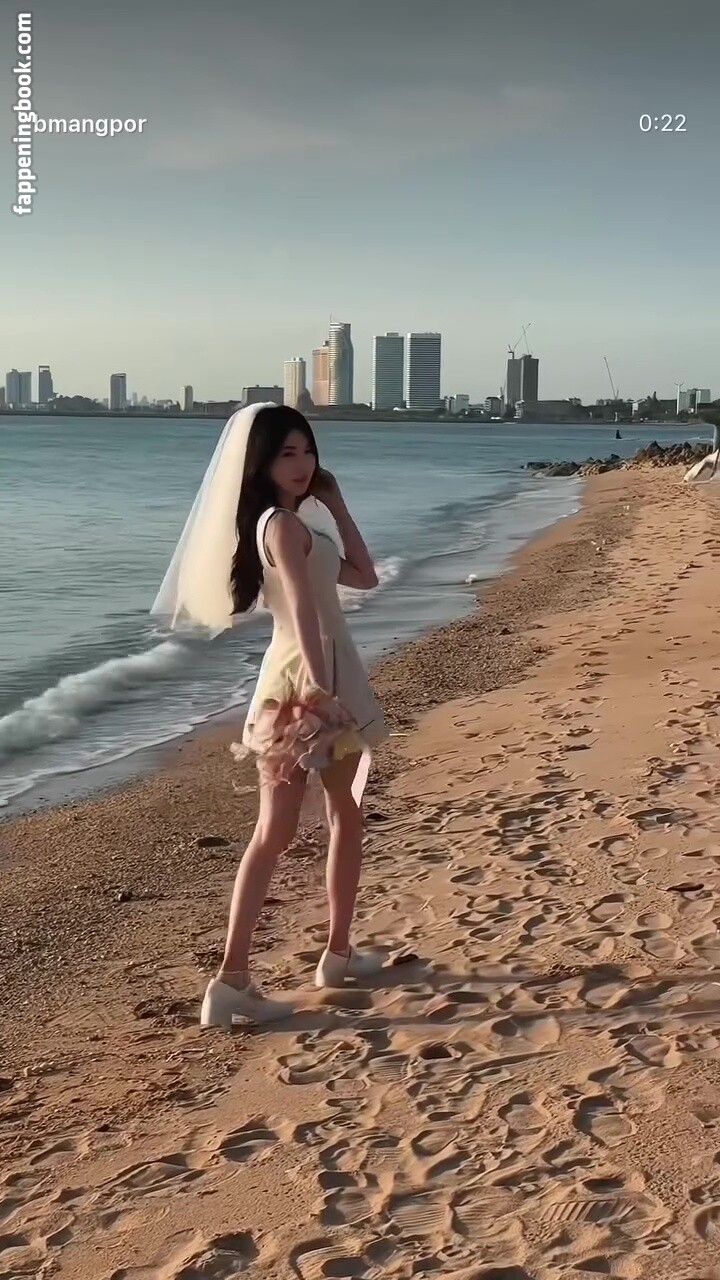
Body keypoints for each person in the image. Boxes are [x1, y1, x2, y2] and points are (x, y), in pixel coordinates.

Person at [151, 402, 388, 1027]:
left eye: (307, 450)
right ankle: (234, 977)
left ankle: (336, 955)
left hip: (315, 684)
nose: (302, 463)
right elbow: (304, 611)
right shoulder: (279, 525)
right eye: (287, 453)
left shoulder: (296, 523)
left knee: (343, 816)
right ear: (260, 462)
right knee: (279, 832)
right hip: (303, 692)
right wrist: (320, 691)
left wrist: (337, 503)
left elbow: (365, 577)